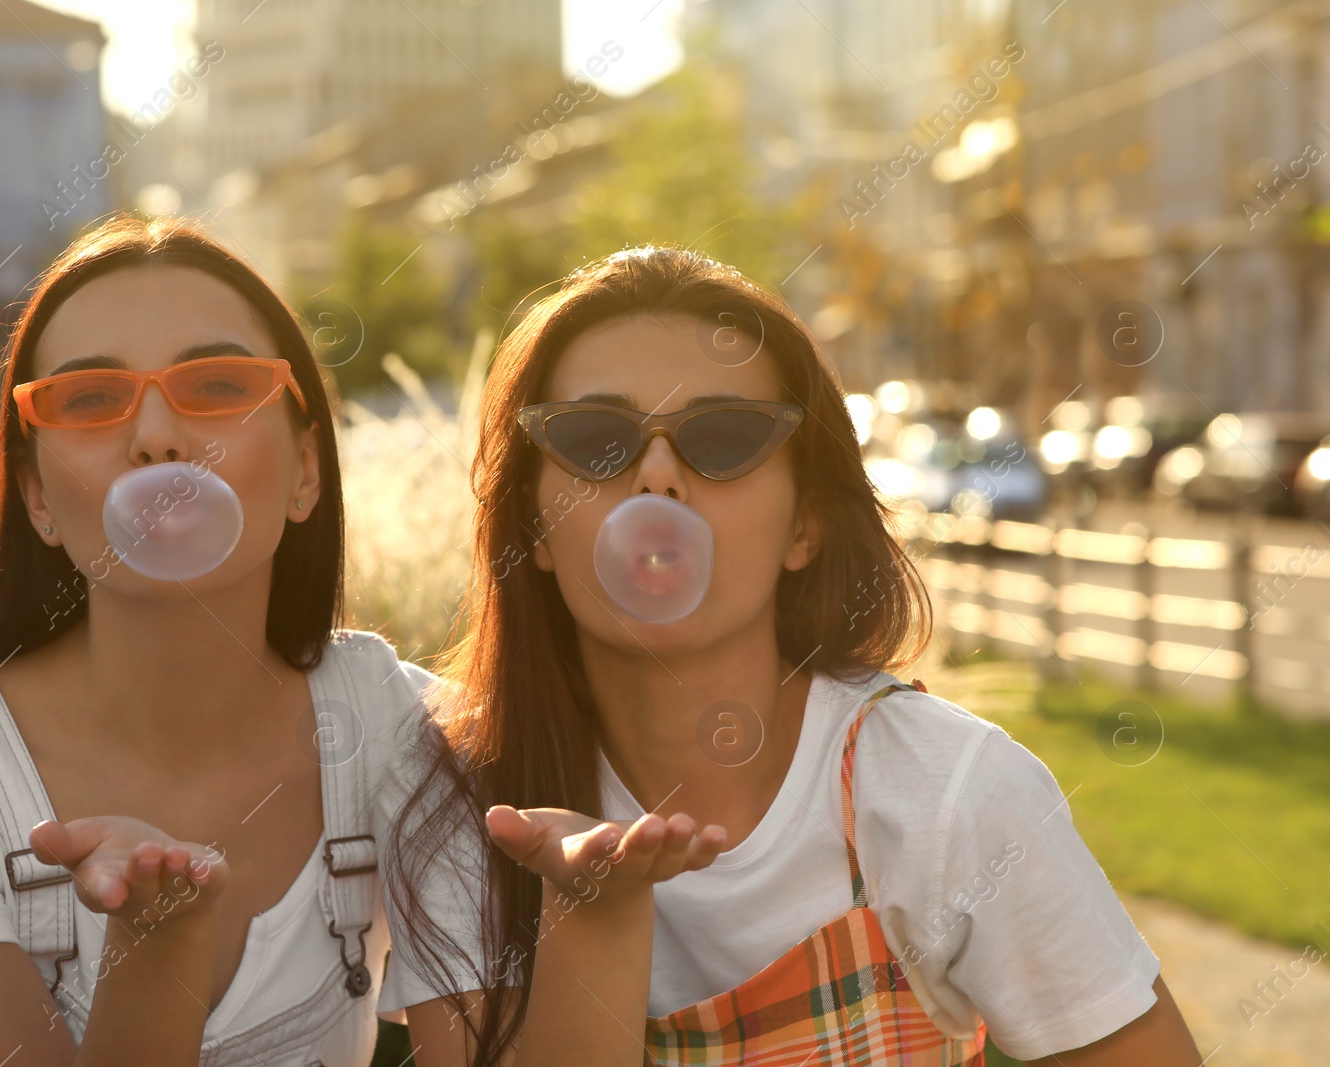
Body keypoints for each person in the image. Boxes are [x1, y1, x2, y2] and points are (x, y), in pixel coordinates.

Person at [380, 246, 1204, 1066]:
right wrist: (589, 918)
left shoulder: (948, 794)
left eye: (725, 436)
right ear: (536, 533)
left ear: (805, 523)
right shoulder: (463, 803)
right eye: (596, 438)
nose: (658, 476)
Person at [0, 215, 434, 1066]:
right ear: (34, 497)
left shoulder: (404, 724)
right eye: (92, 399)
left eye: (217, 386)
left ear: (305, 471)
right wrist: (159, 942)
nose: (156, 438)